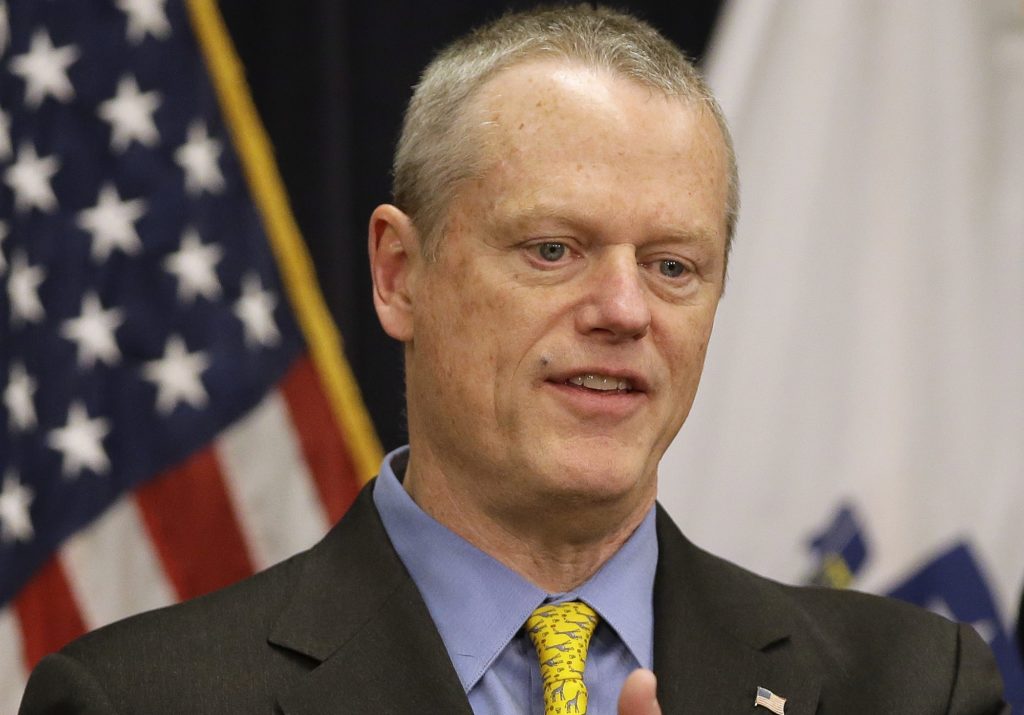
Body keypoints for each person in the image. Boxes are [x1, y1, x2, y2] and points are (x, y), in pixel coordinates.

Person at [20, 6, 1008, 714]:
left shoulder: (915, 686)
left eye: (672, 265)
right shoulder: (135, 699)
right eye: (553, 249)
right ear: (401, 274)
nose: (623, 310)